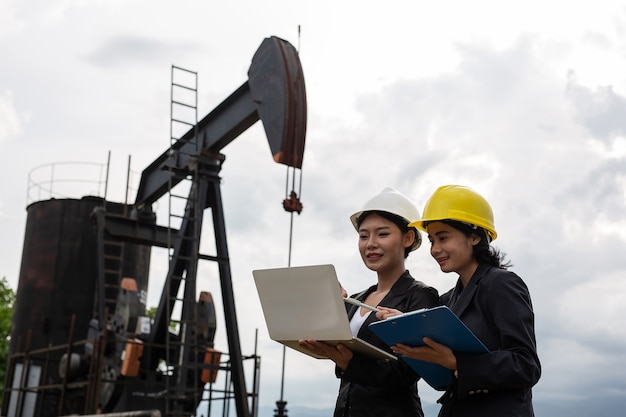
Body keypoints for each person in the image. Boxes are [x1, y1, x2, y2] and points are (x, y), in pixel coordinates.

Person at [378, 185, 541, 417]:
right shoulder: (447, 301)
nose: (435, 249)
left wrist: (456, 362)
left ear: (474, 236)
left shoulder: (501, 284)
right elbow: (445, 380)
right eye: (432, 241)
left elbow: (526, 366)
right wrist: (406, 325)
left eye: (443, 238)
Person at [299, 187, 439, 417]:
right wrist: (326, 309)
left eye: (382, 234)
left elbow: (406, 372)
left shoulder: (420, 296)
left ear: (408, 237)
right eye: (364, 236)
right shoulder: (355, 300)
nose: (370, 243)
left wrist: (350, 363)